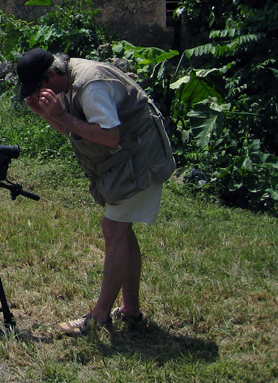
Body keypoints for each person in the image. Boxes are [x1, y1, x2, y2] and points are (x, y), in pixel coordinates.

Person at [16, 48, 175, 335]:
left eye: (38, 87)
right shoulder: (65, 84)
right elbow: (76, 133)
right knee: (121, 231)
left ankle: (100, 316)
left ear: (51, 75)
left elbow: (110, 137)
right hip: (130, 159)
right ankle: (131, 310)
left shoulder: (90, 85)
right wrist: (46, 114)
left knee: (114, 229)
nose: (40, 93)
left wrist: (61, 114)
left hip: (143, 158)